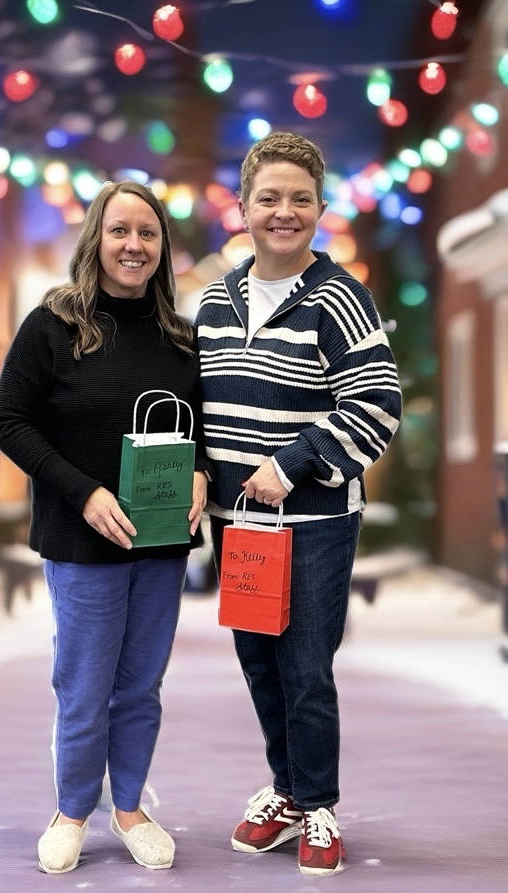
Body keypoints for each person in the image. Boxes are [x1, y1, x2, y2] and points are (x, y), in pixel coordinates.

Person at [195, 132, 402, 876]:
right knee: (257, 661)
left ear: (318, 209)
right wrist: (193, 469)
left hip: (312, 522)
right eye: (268, 198)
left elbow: (377, 404)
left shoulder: (340, 297)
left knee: (305, 665)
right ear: (243, 208)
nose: (283, 212)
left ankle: (317, 803)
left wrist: (293, 461)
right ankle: (284, 789)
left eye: (300, 199)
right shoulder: (214, 302)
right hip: (237, 525)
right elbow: (199, 406)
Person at [0, 180, 212, 875]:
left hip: (160, 538)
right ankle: (72, 809)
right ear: (96, 239)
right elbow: (11, 422)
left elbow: (201, 426)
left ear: (161, 249)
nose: (133, 245)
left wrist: (203, 468)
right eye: (119, 231)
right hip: (83, 538)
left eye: (147, 234)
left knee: (140, 683)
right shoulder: (52, 325)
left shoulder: (180, 336)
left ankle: (130, 808)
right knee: (84, 684)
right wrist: (83, 493)